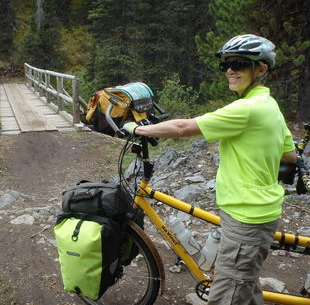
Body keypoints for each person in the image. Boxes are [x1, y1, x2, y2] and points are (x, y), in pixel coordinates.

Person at [122, 34, 297, 305]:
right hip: (255, 212)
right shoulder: (269, 105)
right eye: (226, 65)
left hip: (246, 218)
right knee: (245, 288)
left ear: (260, 69)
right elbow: (290, 155)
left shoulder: (248, 109)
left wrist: (136, 128)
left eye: (238, 64)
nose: (229, 70)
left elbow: (183, 128)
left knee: (226, 296)